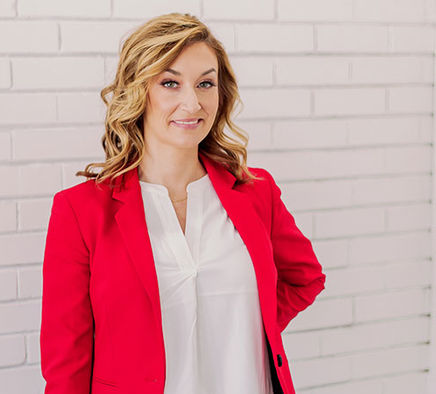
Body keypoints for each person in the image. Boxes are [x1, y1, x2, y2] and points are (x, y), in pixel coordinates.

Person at [40, 12, 326, 394]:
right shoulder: (81, 211)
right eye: (170, 83)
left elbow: (304, 277)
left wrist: (247, 324)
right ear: (137, 92)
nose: (192, 102)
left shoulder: (256, 192)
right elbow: (67, 359)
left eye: (205, 83)